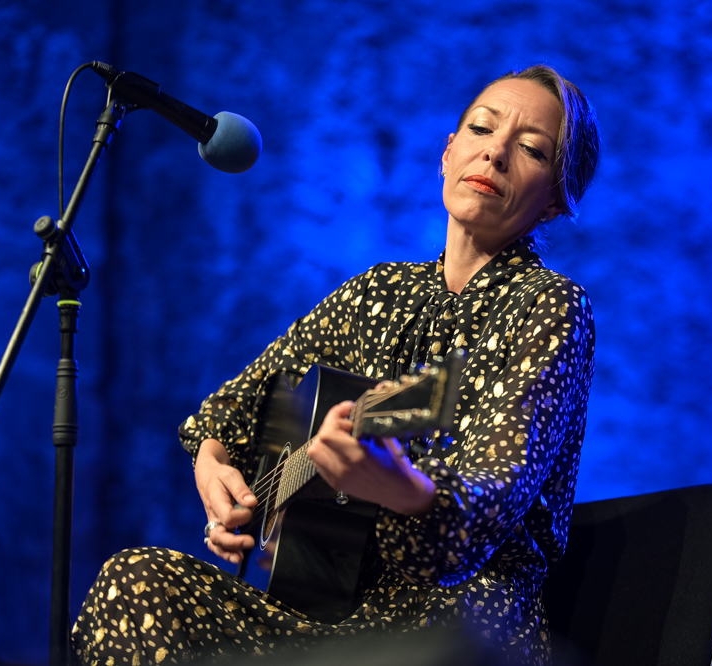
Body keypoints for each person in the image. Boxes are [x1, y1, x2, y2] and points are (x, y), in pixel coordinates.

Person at [71, 64, 599, 665]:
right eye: (481, 129)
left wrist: (403, 489)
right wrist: (215, 463)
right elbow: (239, 404)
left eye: (531, 149)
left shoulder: (551, 305)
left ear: (554, 201)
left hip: (454, 626)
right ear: (448, 154)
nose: (495, 153)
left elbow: (493, 494)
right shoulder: (379, 292)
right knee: (135, 579)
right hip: (328, 613)